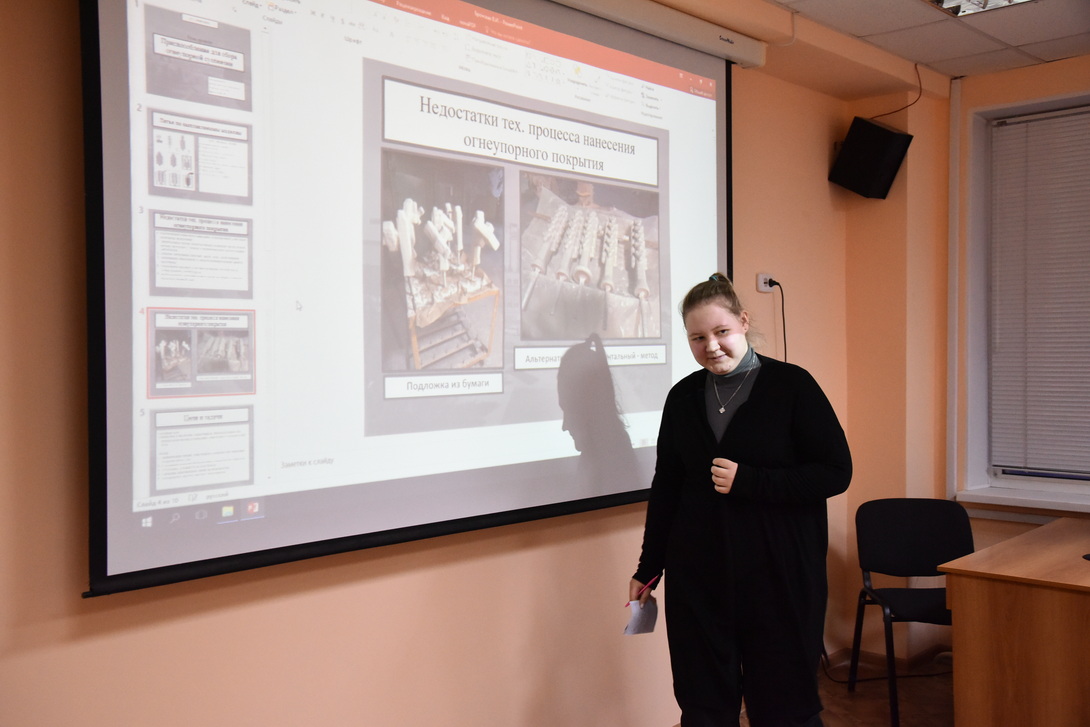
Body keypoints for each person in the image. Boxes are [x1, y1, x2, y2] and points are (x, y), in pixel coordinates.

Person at [629, 273, 852, 727]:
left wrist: (752, 481)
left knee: (785, 709)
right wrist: (648, 568)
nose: (711, 346)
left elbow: (836, 472)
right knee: (703, 708)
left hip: (779, 578)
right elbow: (667, 487)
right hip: (699, 580)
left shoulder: (793, 386)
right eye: (697, 338)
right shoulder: (682, 397)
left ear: (744, 322)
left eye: (721, 331)